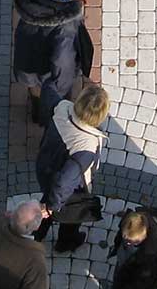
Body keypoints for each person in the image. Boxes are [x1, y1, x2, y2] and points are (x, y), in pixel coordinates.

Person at [13, 0, 94, 127]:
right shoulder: (66, 20)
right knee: (54, 103)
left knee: (33, 89)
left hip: (26, 55)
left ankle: (36, 111)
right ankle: (47, 119)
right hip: (47, 68)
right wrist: (62, 87)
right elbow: (62, 59)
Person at [35, 84, 109, 253]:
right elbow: (64, 182)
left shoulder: (62, 108)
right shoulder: (86, 147)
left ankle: (36, 235)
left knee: (46, 200)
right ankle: (65, 242)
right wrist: (53, 206)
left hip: (46, 167)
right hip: (71, 188)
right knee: (71, 214)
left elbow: (47, 91)